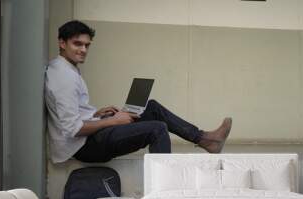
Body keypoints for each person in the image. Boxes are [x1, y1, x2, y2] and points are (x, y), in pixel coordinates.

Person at [44, 20, 232, 163]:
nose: (83, 50)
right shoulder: (63, 77)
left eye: (87, 45)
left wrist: (95, 114)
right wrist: (113, 121)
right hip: (84, 147)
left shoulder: (67, 69)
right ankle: (164, 191)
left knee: (152, 107)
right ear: (62, 43)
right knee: (157, 129)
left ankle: (205, 139)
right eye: (78, 44)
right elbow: (72, 129)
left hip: (90, 137)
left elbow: (71, 114)